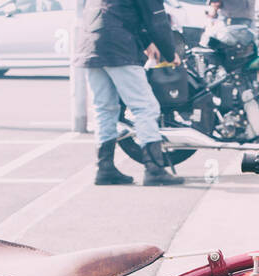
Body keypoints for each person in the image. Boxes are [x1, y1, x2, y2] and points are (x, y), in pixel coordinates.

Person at [75, 0, 183, 186]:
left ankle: (104, 168)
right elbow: (156, 20)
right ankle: (154, 169)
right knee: (145, 107)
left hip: (90, 45)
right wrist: (170, 52)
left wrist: (147, 42)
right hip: (118, 45)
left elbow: (120, 12)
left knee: (104, 108)